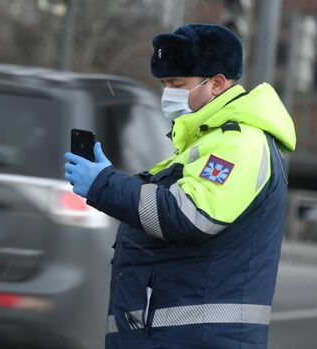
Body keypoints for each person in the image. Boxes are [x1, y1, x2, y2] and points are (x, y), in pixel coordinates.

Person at [63, 23, 296, 349]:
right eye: (163, 83)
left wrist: (104, 185)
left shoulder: (240, 143)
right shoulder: (205, 142)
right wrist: (109, 181)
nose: (167, 93)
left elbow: (189, 215)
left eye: (176, 83)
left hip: (199, 337)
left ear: (216, 83)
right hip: (177, 334)